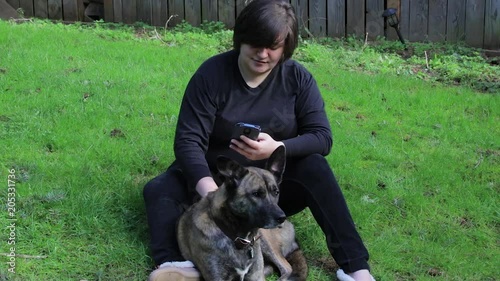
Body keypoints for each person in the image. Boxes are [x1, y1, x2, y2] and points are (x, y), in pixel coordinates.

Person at [143, 0, 375, 280]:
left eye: (273, 47)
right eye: (256, 44)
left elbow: (322, 137)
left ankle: (355, 268)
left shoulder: (297, 78)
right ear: (240, 39)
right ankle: (174, 265)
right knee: (159, 188)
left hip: (267, 194)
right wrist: (210, 192)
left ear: (285, 48)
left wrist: (277, 147)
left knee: (315, 167)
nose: (263, 54)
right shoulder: (211, 75)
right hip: (215, 185)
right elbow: (188, 141)